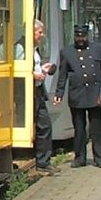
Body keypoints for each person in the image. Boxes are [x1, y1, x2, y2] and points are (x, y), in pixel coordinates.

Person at [55, 24, 101, 167]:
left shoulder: (97, 48)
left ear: (87, 36)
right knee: (79, 128)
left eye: (83, 36)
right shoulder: (67, 52)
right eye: (78, 36)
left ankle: (99, 158)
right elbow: (63, 73)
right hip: (77, 94)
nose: (80, 39)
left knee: (96, 128)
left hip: (94, 93)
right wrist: (59, 92)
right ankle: (80, 157)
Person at [32, 20, 56, 173]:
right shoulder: (21, 48)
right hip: (29, 93)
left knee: (45, 124)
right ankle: (42, 160)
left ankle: (43, 161)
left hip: (38, 92)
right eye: (39, 32)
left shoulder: (34, 49)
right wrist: (33, 75)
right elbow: (16, 68)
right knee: (43, 124)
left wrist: (42, 69)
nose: (42, 35)